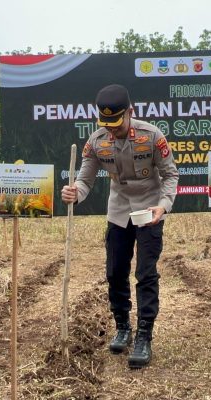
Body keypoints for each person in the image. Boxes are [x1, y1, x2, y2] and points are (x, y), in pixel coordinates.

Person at [61, 84, 179, 369]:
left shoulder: (152, 137)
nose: (112, 130)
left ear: (131, 112)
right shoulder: (97, 140)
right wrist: (75, 193)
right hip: (118, 211)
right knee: (115, 272)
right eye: (106, 124)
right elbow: (85, 179)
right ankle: (123, 325)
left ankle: (144, 335)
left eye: (117, 123)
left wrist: (163, 206)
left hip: (149, 210)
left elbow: (170, 175)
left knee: (146, 273)